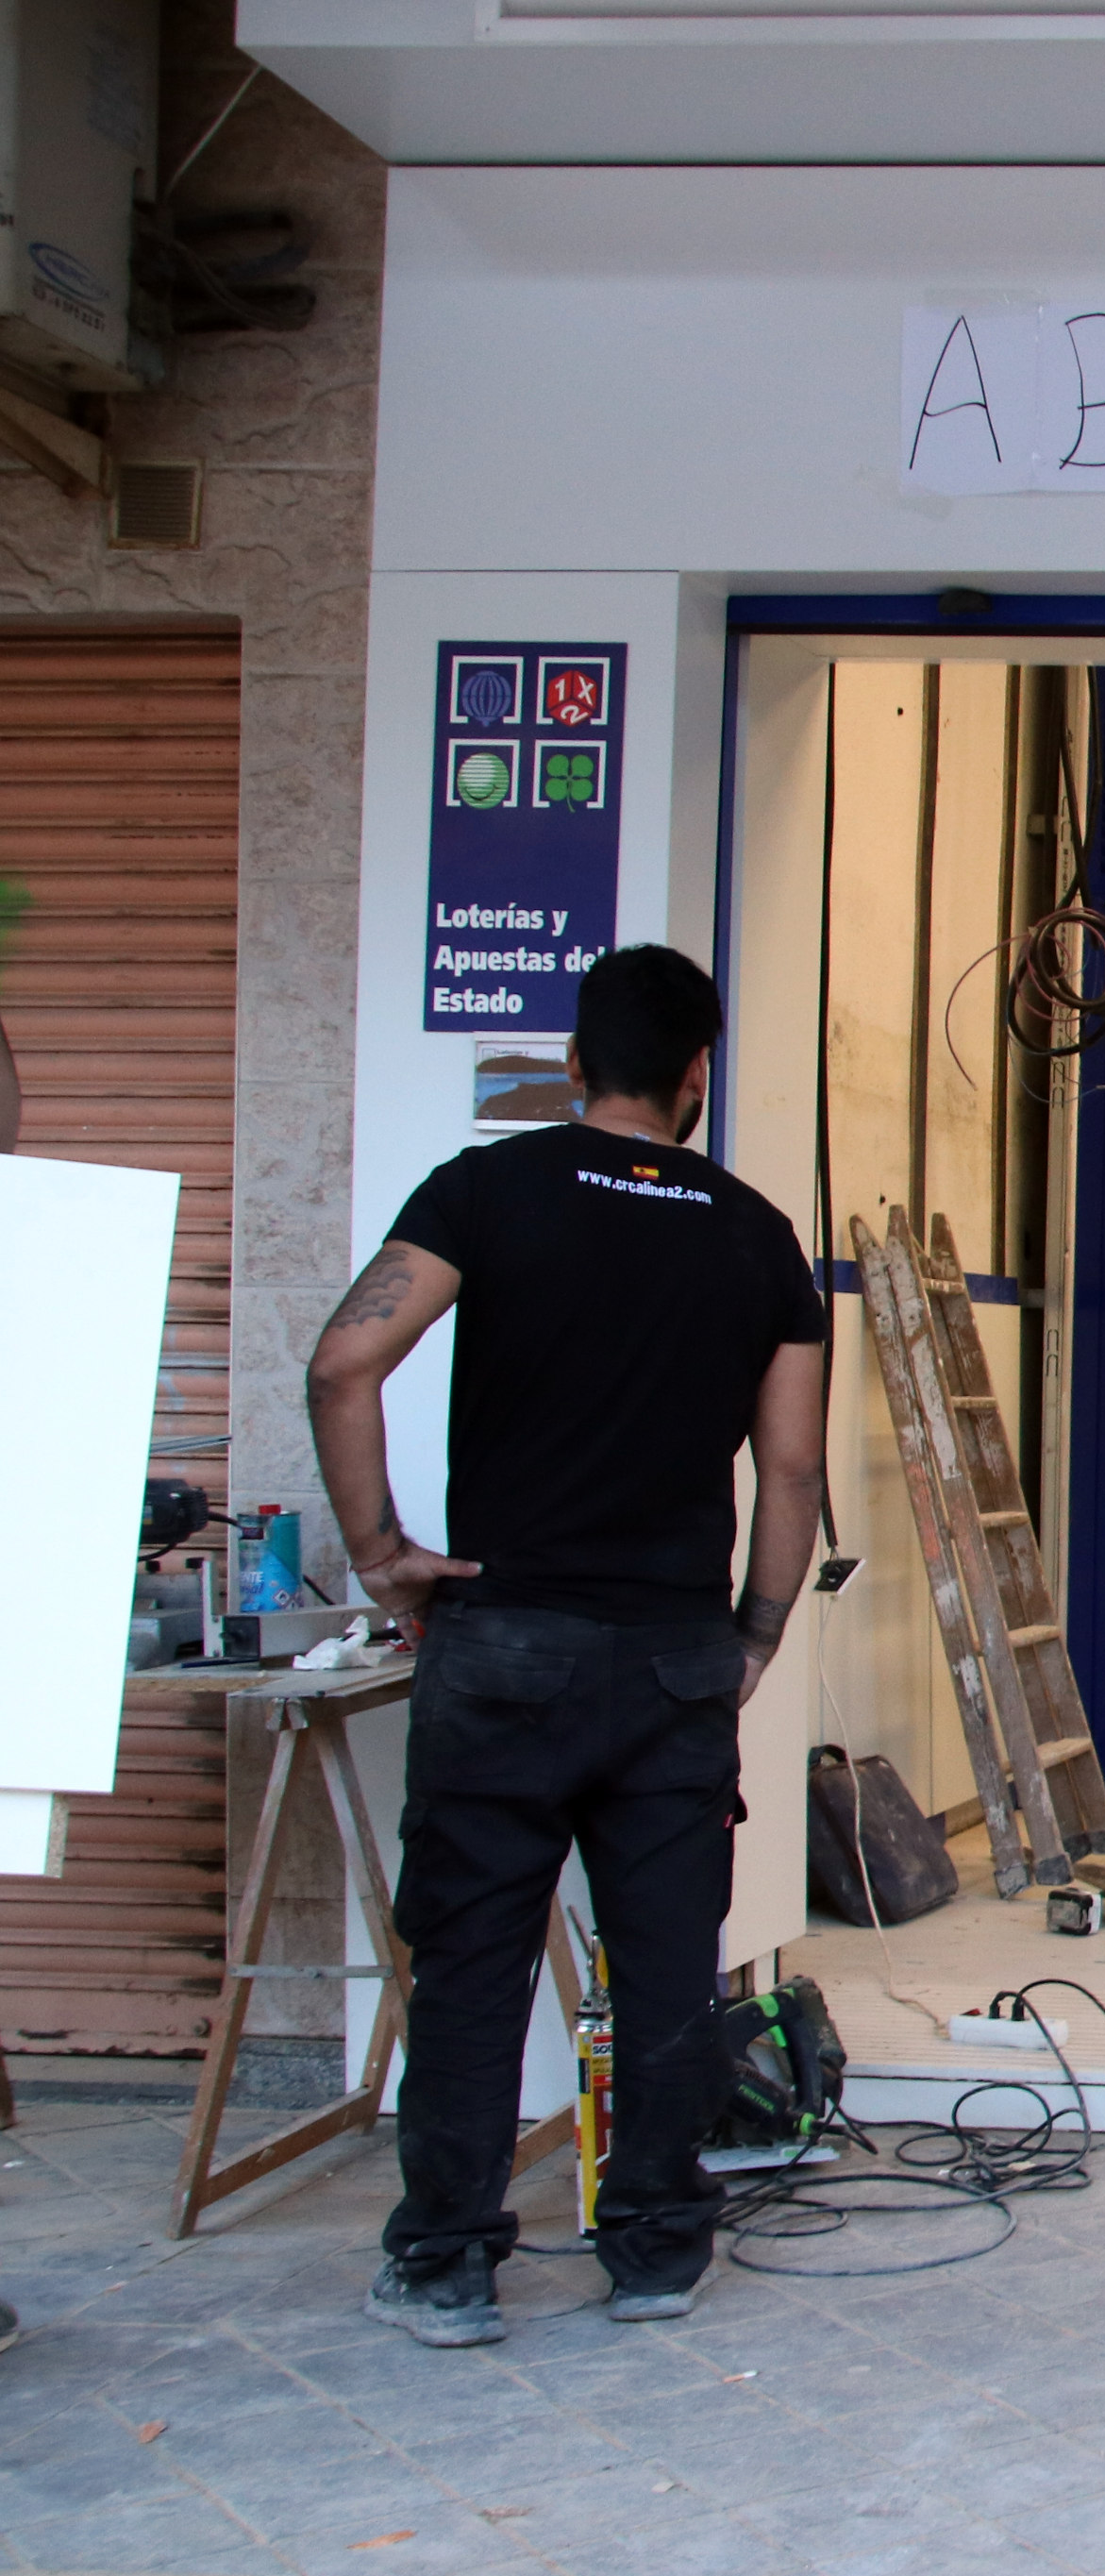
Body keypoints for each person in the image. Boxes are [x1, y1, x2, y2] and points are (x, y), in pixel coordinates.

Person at [304, 945, 828, 2347]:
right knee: (663, 1960)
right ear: (697, 1076)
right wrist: (755, 1637)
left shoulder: (487, 1192)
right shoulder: (758, 1234)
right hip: (671, 1658)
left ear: (576, 1063)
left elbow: (343, 1363)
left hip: (503, 1646)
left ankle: (449, 2262)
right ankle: (654, 2247)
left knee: (470, 1957)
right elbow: (789, 1475)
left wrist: (383, 1556)